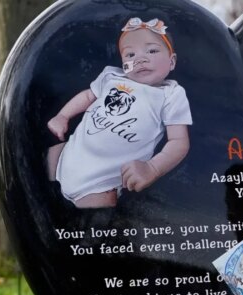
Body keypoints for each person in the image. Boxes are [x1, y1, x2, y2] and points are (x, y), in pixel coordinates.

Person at [46, 17, 192, 208]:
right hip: (68, 153)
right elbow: (88, 96)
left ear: (172, 62)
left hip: (101, 182)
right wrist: (63, 116)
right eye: (130, 54)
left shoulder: (170, 95)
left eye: (152, 51)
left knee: (92, 216)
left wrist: (152, 168)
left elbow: (178, 142)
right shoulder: (111, 77)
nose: (140, 59)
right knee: (38, 181)